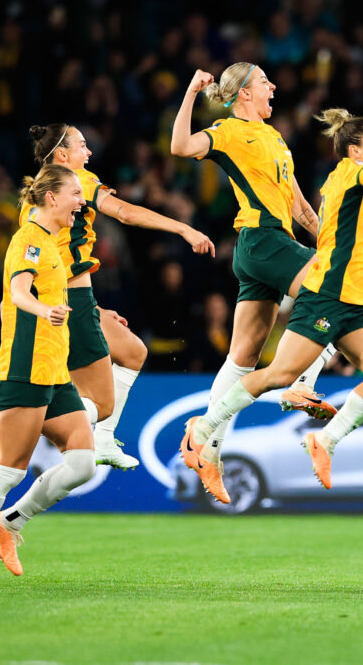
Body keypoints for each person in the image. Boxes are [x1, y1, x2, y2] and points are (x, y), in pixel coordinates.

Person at [179, 107, 363, 503]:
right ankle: (204, 427)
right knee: (277, 374)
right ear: (354, 151)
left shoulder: (341, 179)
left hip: (355, 298)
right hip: (328, 293)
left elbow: (316, 218)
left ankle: (325, 441)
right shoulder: (353, 175)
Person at [170, 63, 343, 500]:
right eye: (266, 81)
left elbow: (301, 207)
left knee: (243, 358)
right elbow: (179, 146)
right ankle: (303, 381)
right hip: (263, 242)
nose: (275, 85)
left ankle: (207, 449)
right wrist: (192, 92)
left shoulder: (275, 138)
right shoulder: (227, 130)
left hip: (266, 248)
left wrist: (330, 244)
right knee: (336, 298)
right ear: (244, 92)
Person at [23, 123, 216, 470]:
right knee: (101, 402)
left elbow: (53, 258)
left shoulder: (38, 194)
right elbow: (125, 212)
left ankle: (101, 438)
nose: (89, 152)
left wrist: (94, 306)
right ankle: (26, 425)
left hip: (69, 297)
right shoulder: (74, 182)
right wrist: (183, 227)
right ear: (62, 155)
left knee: (132, 352)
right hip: (68, 300)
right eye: (82, 145)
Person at [0, 165, 95, 589]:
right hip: (23, 369)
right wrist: (42, 310)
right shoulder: (27, 239)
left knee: (83, 462)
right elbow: (18, 292)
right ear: (51, 197)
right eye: (75, 193)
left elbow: (53, 292)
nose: (81, 201)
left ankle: (9, 522)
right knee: (10, 470)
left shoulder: (50, 242)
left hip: (54, 371)